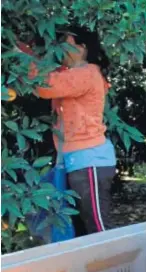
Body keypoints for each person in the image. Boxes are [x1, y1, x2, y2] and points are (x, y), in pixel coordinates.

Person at [29, 26, 116, 236]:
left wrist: (21, 57)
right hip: (76, 161)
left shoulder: (87, 73)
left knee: (98, 227)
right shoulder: (71, 74)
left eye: (65, 44)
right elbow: (50, 78)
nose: (60, 49)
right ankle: (91, 268)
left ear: (82, 48)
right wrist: (25, 50)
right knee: (80, 229)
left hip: (90, 161)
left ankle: (117, 267)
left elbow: (44, 85)